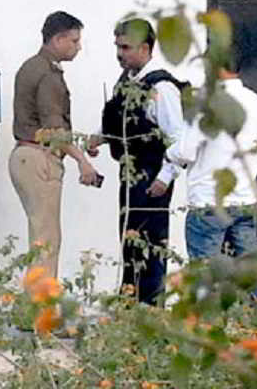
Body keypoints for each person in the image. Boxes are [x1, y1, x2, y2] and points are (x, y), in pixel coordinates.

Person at [93, 19, 185, 305]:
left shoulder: (162, 87)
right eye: (117, 47)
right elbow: (126, 126)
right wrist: (101, 138)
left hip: (151, 174)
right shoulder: (127, 82)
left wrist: (165, 177)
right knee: (130, 240)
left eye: (126, 47)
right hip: (129, 171)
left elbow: (177, 137)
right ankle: (130, 301)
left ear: (145, 48)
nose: (120, 54)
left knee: (150, 244)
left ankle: (149, 307)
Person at [156, 55, 257, 265]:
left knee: (205, 275)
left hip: (208, 202)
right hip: (245, 201)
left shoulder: (206, 104)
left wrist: (168, 154)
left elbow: (185, 151)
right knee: (251, 271)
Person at [9, 11, 99, 278]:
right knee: (47, 239)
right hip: (40, 158)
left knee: (40, 236)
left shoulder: (30, 66)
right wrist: (82, 161)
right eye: (74, 40)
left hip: (23, 156)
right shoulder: (48, 74)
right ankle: (41, 312)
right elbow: (54, 130)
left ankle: (33, 308)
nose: (78, 47)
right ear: (58, 39)